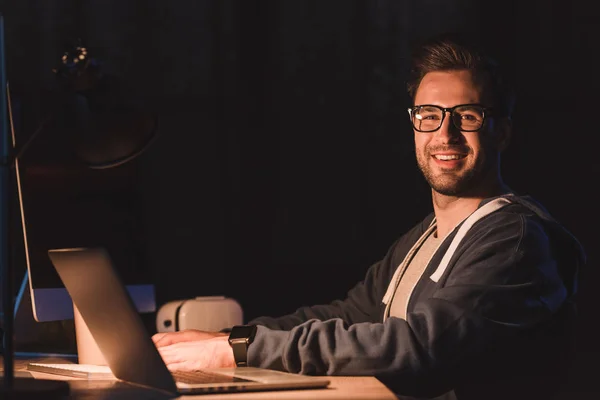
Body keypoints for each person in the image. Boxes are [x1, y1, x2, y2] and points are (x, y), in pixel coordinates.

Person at [152, 33, 586, 400]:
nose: (444, 134)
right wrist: (226, 338)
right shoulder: (424, 238)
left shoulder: (517, 238)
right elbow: (350, 317)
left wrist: (242, 349)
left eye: (467, 116)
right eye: (429, 116)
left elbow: (416, 346)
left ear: (503, 132)